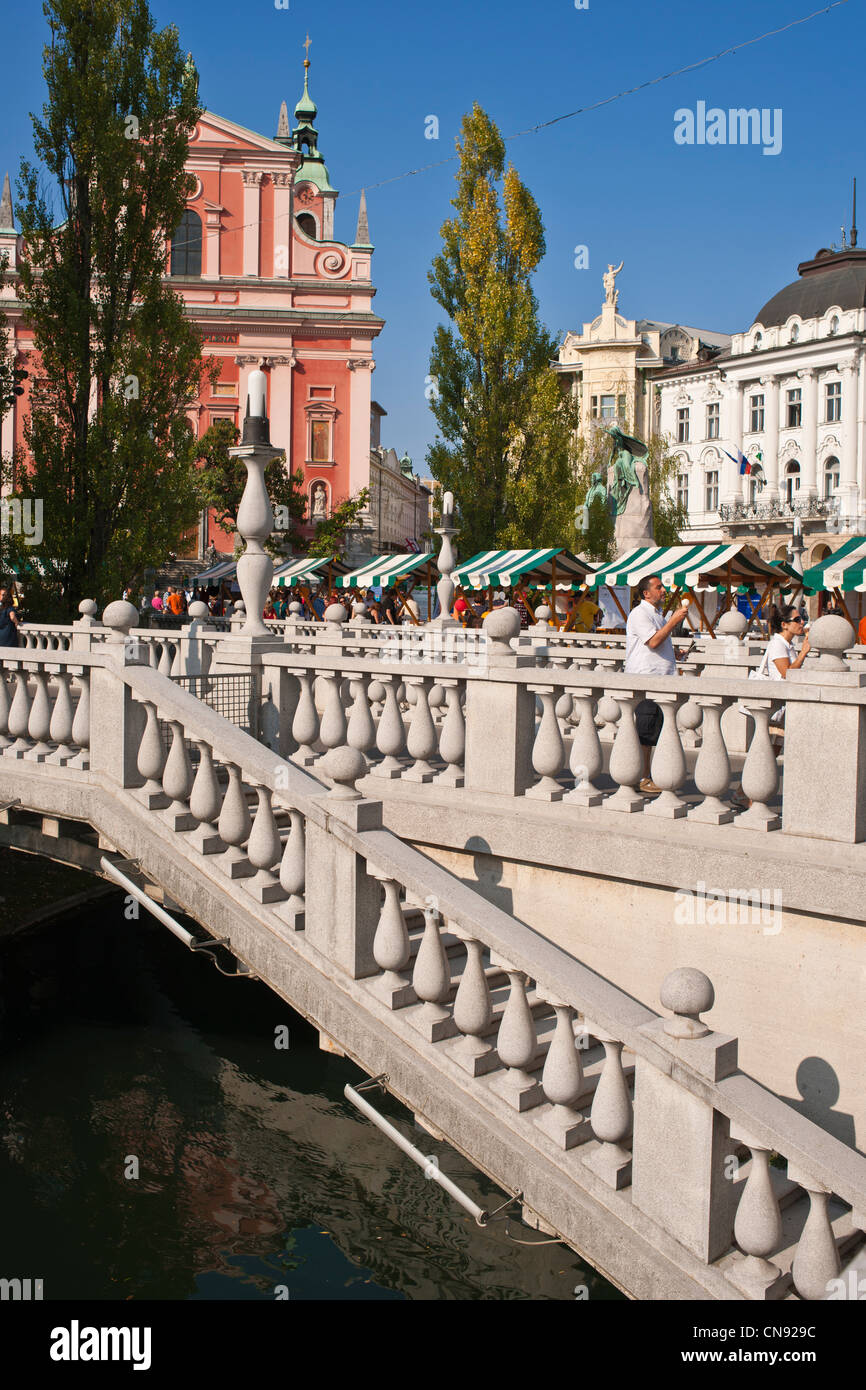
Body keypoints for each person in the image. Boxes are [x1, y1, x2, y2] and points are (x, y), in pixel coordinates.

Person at [624, 574, 690, 794]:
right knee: (645, 730)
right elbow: (652, 642)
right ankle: (642, 777)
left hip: (661, 678)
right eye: (659, 587)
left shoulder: (657, 615)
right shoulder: (639, 613)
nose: (664, 590)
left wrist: (675, 652)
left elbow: (658, 641)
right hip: (646, 678)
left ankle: (647, 774)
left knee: (656, 731)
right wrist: (674, 621)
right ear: (646, 593)